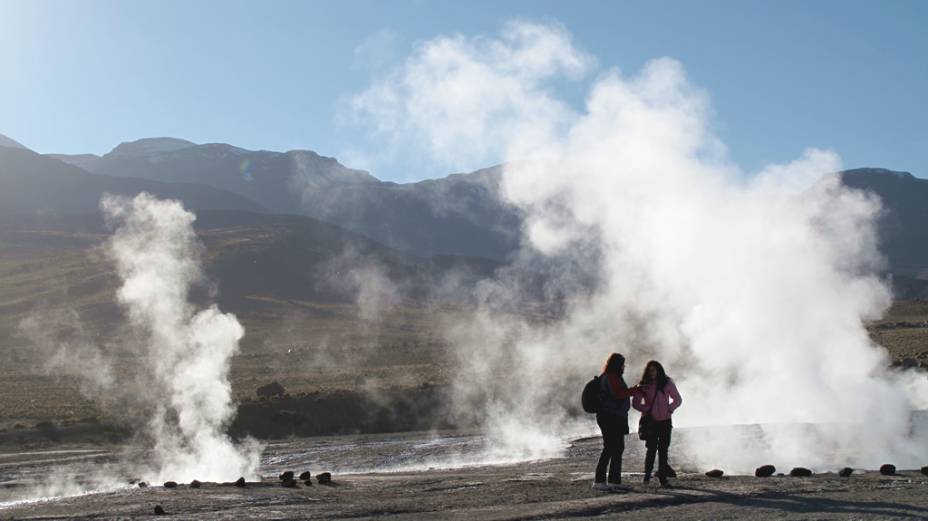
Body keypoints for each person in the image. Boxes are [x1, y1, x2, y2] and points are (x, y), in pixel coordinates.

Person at [593, 353, 640, 491]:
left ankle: (613, 481)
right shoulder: (612, 377)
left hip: (611, 416)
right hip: (611, 417)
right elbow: (618, 394)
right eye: (622, 364)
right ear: (618, 365)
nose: (624, 367)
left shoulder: (607, 376)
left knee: (615, 448)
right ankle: (600, 481)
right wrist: (636, 390)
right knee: (611, 448)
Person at [632, 360, 682, 487]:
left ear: (659, 370)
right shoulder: (643, 385)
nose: (652, 373)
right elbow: (635, 403)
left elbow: (678, 399)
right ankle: (647, 477)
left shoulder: (667, 383)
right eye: (650, 370)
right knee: (651, 450)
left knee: (663, 450)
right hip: (651, 422)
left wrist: (669, 409)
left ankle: (662, 478)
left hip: (665, 421)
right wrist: (647, 409)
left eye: (654, 370)